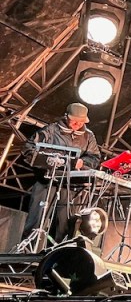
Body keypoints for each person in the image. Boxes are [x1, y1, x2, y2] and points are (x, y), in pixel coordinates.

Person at [21, 102, 102, 245]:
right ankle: (27, 250)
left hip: (69, 184)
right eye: (74, 121)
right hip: (46, 180)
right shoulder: (51, 130)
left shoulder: (88, 136)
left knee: (65, 223)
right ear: (66, 117)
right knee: (36, 219)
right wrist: (47, 161)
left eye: (81, 122)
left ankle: (59, 252)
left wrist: (83, 163)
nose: (77, 124)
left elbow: (94, 157)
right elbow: (29, 148)